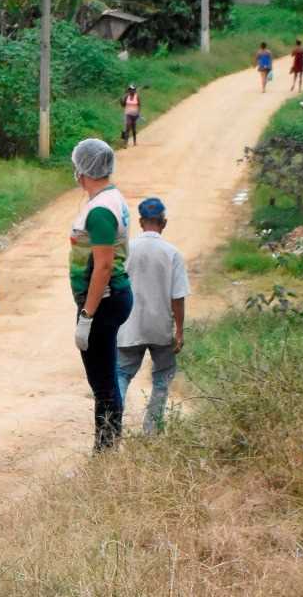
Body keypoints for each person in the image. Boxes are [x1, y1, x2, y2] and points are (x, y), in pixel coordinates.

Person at [69, 138, 134, 453]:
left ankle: (105, 451)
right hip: (111, 298)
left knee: (103, 382)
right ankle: (106, 446)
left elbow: (104, 266)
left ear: (83, 170)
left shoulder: (99, 210)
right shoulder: (112, 198)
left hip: (104, 301)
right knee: (105, 377)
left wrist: (87, 316)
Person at [117, 198, 188, 435]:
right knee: (161, 378)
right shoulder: (172, 254)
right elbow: (178, 297)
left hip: (129, 324)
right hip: (160, 328)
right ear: (163, 223)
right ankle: (151, 431)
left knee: (122, 375)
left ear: (140, 222)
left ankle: (112, 425)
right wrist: (179, 330)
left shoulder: (126, 250)